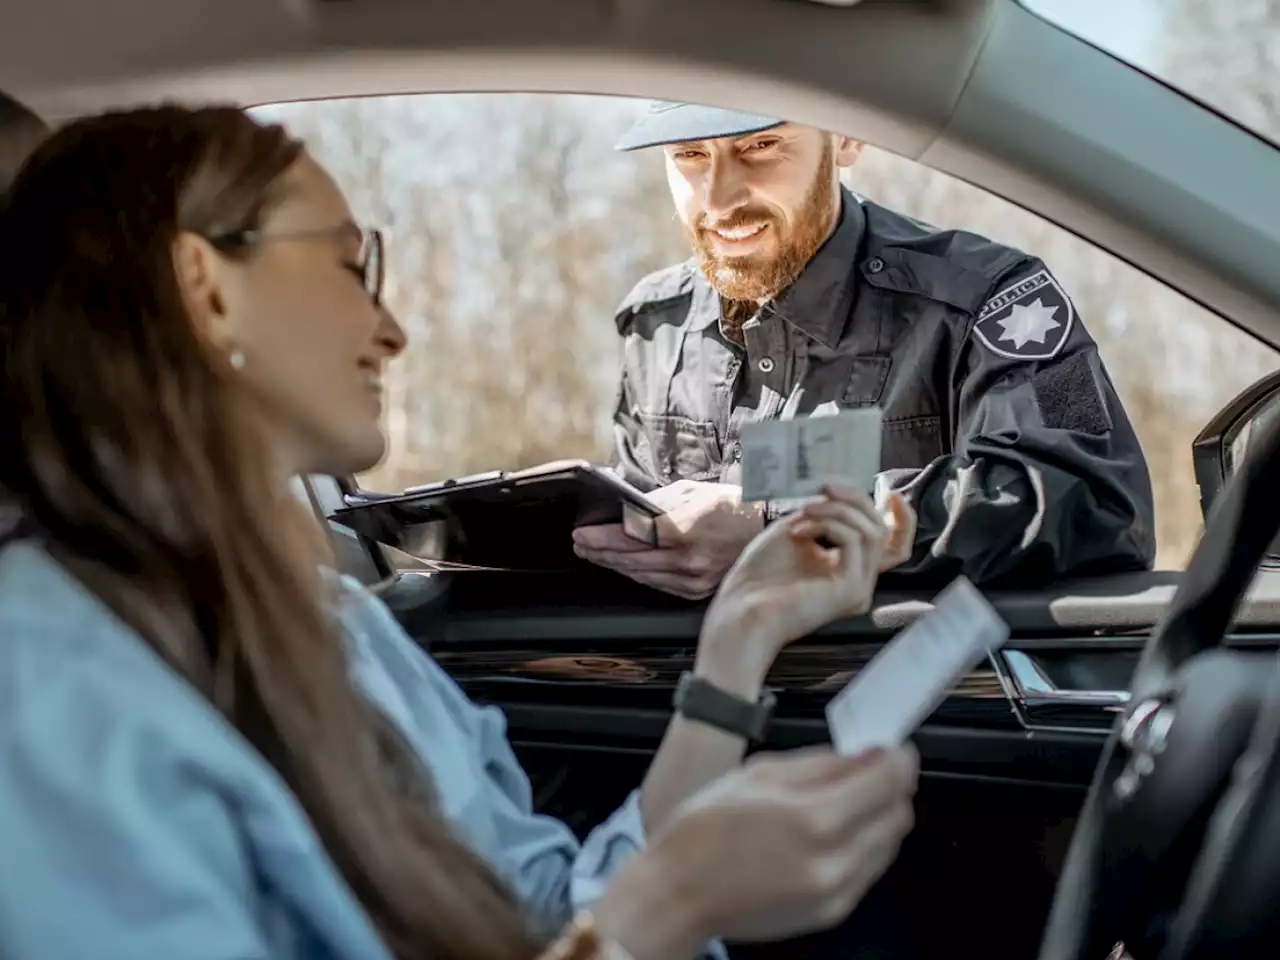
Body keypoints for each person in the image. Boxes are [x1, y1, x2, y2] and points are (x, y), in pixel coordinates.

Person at [0, 105, 921, 960]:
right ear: (204, 287)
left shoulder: (335, 623)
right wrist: (663, 917)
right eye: (350, 265)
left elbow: (549, 911)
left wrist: (739, 642)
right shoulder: (41, 685)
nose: (391, 329)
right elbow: (606, 927)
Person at [573, 102, 1156, 599]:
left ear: (846, 136)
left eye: (761, 146)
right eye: (689, 156)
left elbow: (1097, 504)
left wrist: (784, 530)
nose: (720, 200)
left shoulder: (996, 301)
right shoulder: (656, 324)